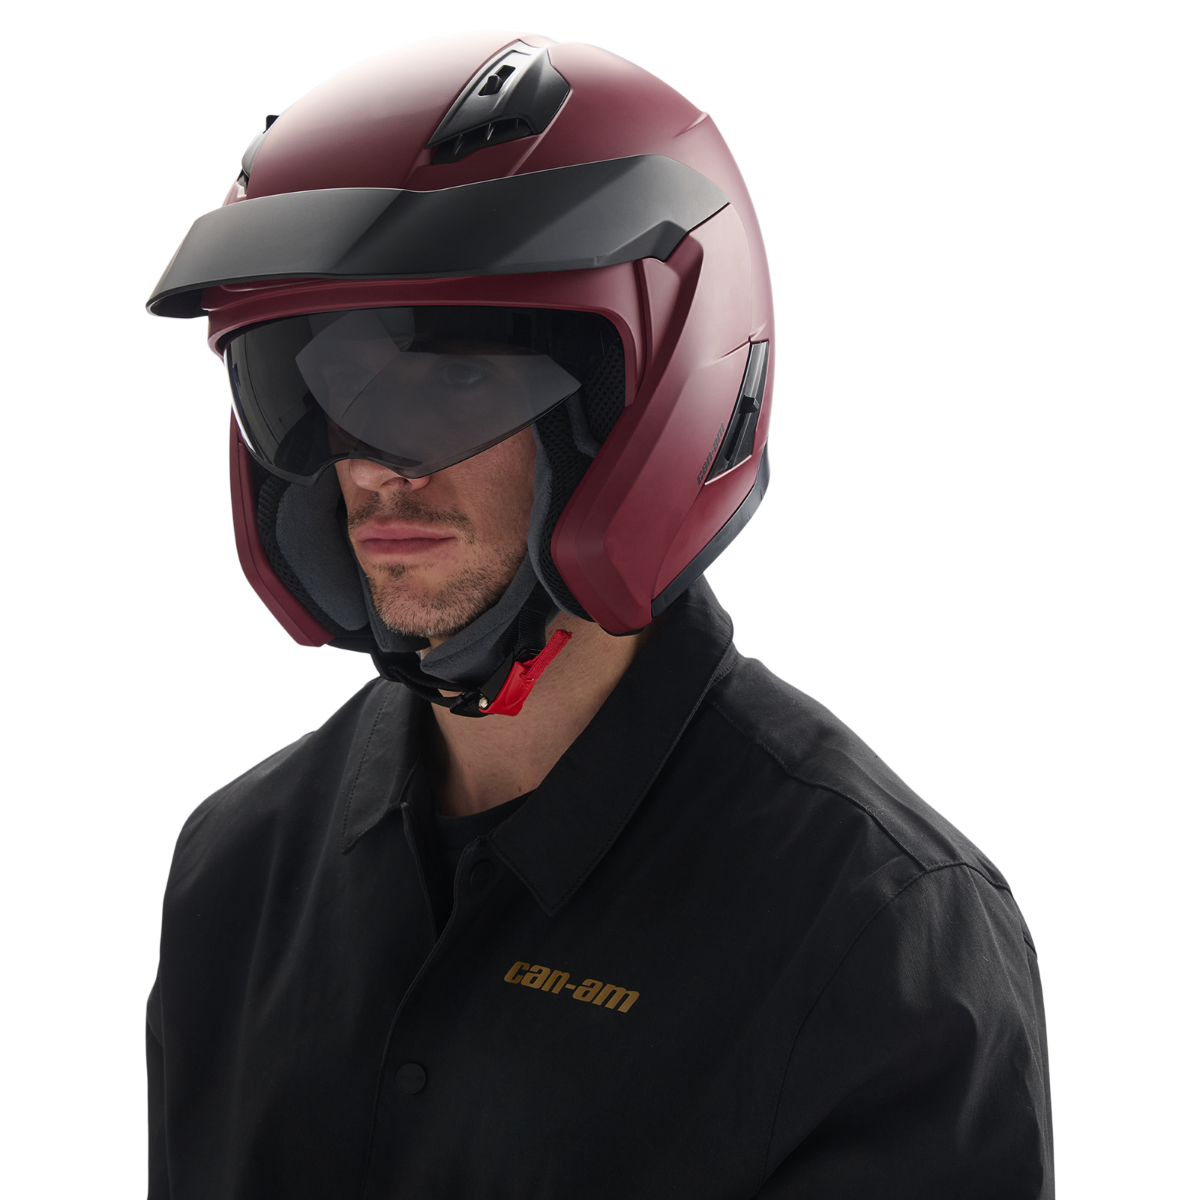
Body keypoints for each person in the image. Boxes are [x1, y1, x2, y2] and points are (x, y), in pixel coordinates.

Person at [144, 31, 1054, 1199]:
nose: (372, 466)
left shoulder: (873, 926)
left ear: (641, 405)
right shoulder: (234, 867)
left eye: (456, 379)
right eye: (322, 387)